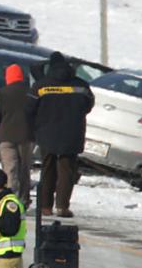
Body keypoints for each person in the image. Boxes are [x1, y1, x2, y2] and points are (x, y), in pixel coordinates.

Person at [30, 51, 94, 218]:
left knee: (48, 168)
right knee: (67, 171)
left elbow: (30, 108)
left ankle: (45, 206)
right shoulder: (82, 86)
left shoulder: (41, 86)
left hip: (47, 133)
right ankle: (62, 207)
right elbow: (88, 106)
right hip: (72, 134)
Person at [0, 63, 35, 206]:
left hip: (6, 137)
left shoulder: (2, 93)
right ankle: (24, 199)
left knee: (9, 169)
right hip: (26, 137)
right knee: (24, 169)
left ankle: (9, 200)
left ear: (8, 77)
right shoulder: (31, 93)